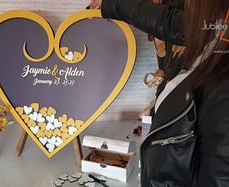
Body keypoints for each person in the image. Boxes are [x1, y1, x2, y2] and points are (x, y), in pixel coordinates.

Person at [90, 0, 229, 186]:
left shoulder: (222, 84)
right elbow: (172, 23)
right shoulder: (213, 36)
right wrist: (113, 5)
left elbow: (219, 176)